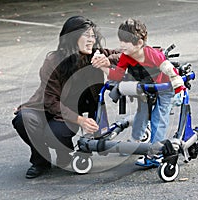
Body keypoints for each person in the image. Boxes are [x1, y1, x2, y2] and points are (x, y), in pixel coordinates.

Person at [12, 16, 119, 179]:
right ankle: (40, 161)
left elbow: (126, 54)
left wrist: (108, 60)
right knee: (23, 119)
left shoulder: (96, 55)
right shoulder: (53, 61)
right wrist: (80, 120)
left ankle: (64, 153)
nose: (92, 40)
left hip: (69, 111)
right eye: (87, 36)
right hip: (46, 107)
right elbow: (50, 102)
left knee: (56, 133)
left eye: (93, 36)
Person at [92, 18, 185, 168]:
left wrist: (179, 89)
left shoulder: (152, 54)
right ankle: (134, 141)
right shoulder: (126, 56)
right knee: (141, 113)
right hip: (145, 87)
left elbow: (169, 70)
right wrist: (102, 67)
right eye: (120, 40)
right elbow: (117, 76)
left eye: (126, 42)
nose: (121, 45)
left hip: (164, 88)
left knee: (158, 116)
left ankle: (156, 152)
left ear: (139, 43)